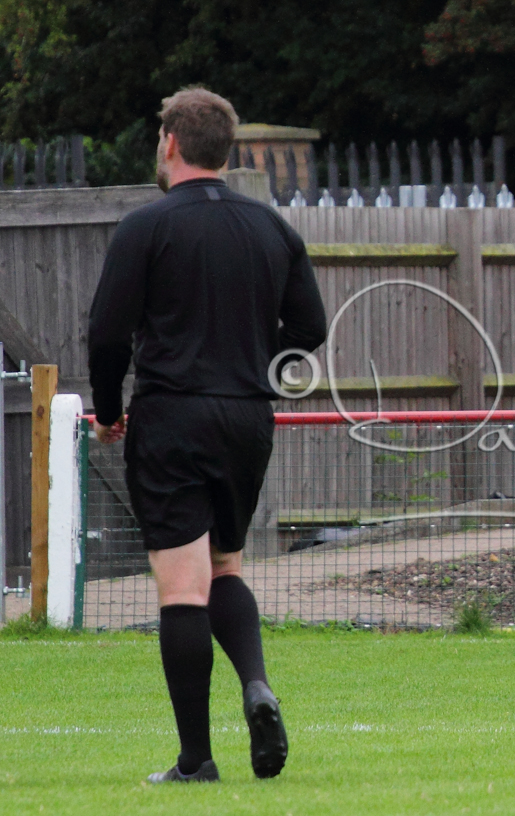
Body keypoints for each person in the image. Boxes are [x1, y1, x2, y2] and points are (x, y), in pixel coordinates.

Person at [88, 87, 327, 783]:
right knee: (226, 566)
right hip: (248, 418)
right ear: (225, 149)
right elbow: (310, 328)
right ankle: (257, 684)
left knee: (181, 588)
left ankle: (195, 760)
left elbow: (107, 333)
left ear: (170, 143)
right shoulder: (271, 228)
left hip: (172, 415)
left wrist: (107, 410)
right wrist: (250, 358)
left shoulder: (146, 227)